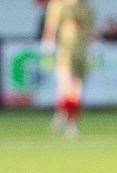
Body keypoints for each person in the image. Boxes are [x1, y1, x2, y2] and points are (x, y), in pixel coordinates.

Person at [43, 0, 94, 134]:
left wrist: (48, 46)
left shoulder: (59, 5)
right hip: (76, 50)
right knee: (73, 88)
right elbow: (91, 31)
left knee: (67, 87)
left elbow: (51, 27)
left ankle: (65, 117)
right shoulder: (85, 6)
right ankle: (68, 121)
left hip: (70, 51)